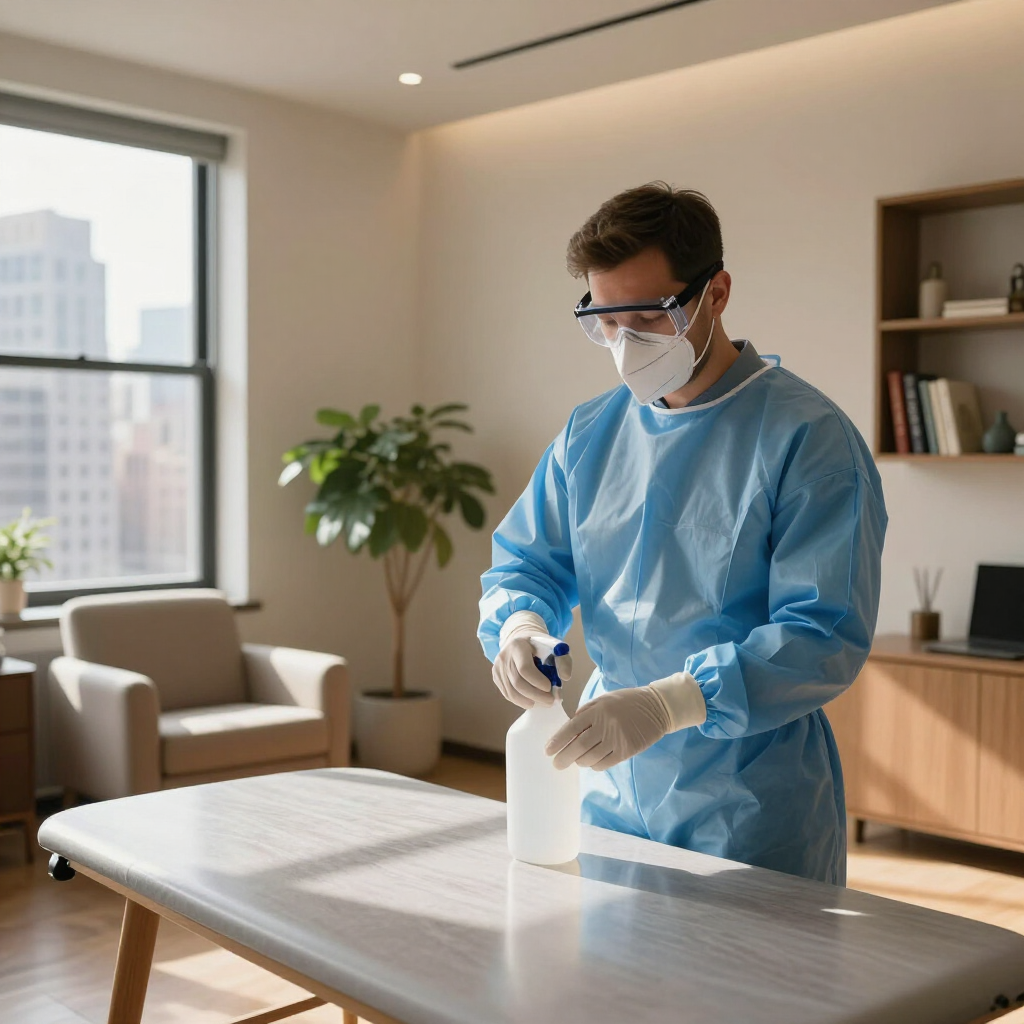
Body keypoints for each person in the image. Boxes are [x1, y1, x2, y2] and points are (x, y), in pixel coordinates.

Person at [478, 182, 887, 884]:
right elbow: (527, 564)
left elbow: (822, 635)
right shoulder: (590, 435)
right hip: (608, 787)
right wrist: (518, 628)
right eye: (605, 319)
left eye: (649, 315)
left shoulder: (809, 441)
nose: (625, 341)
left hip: (750, 806)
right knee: (606, 985)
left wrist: (671, 703)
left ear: (716, 293)